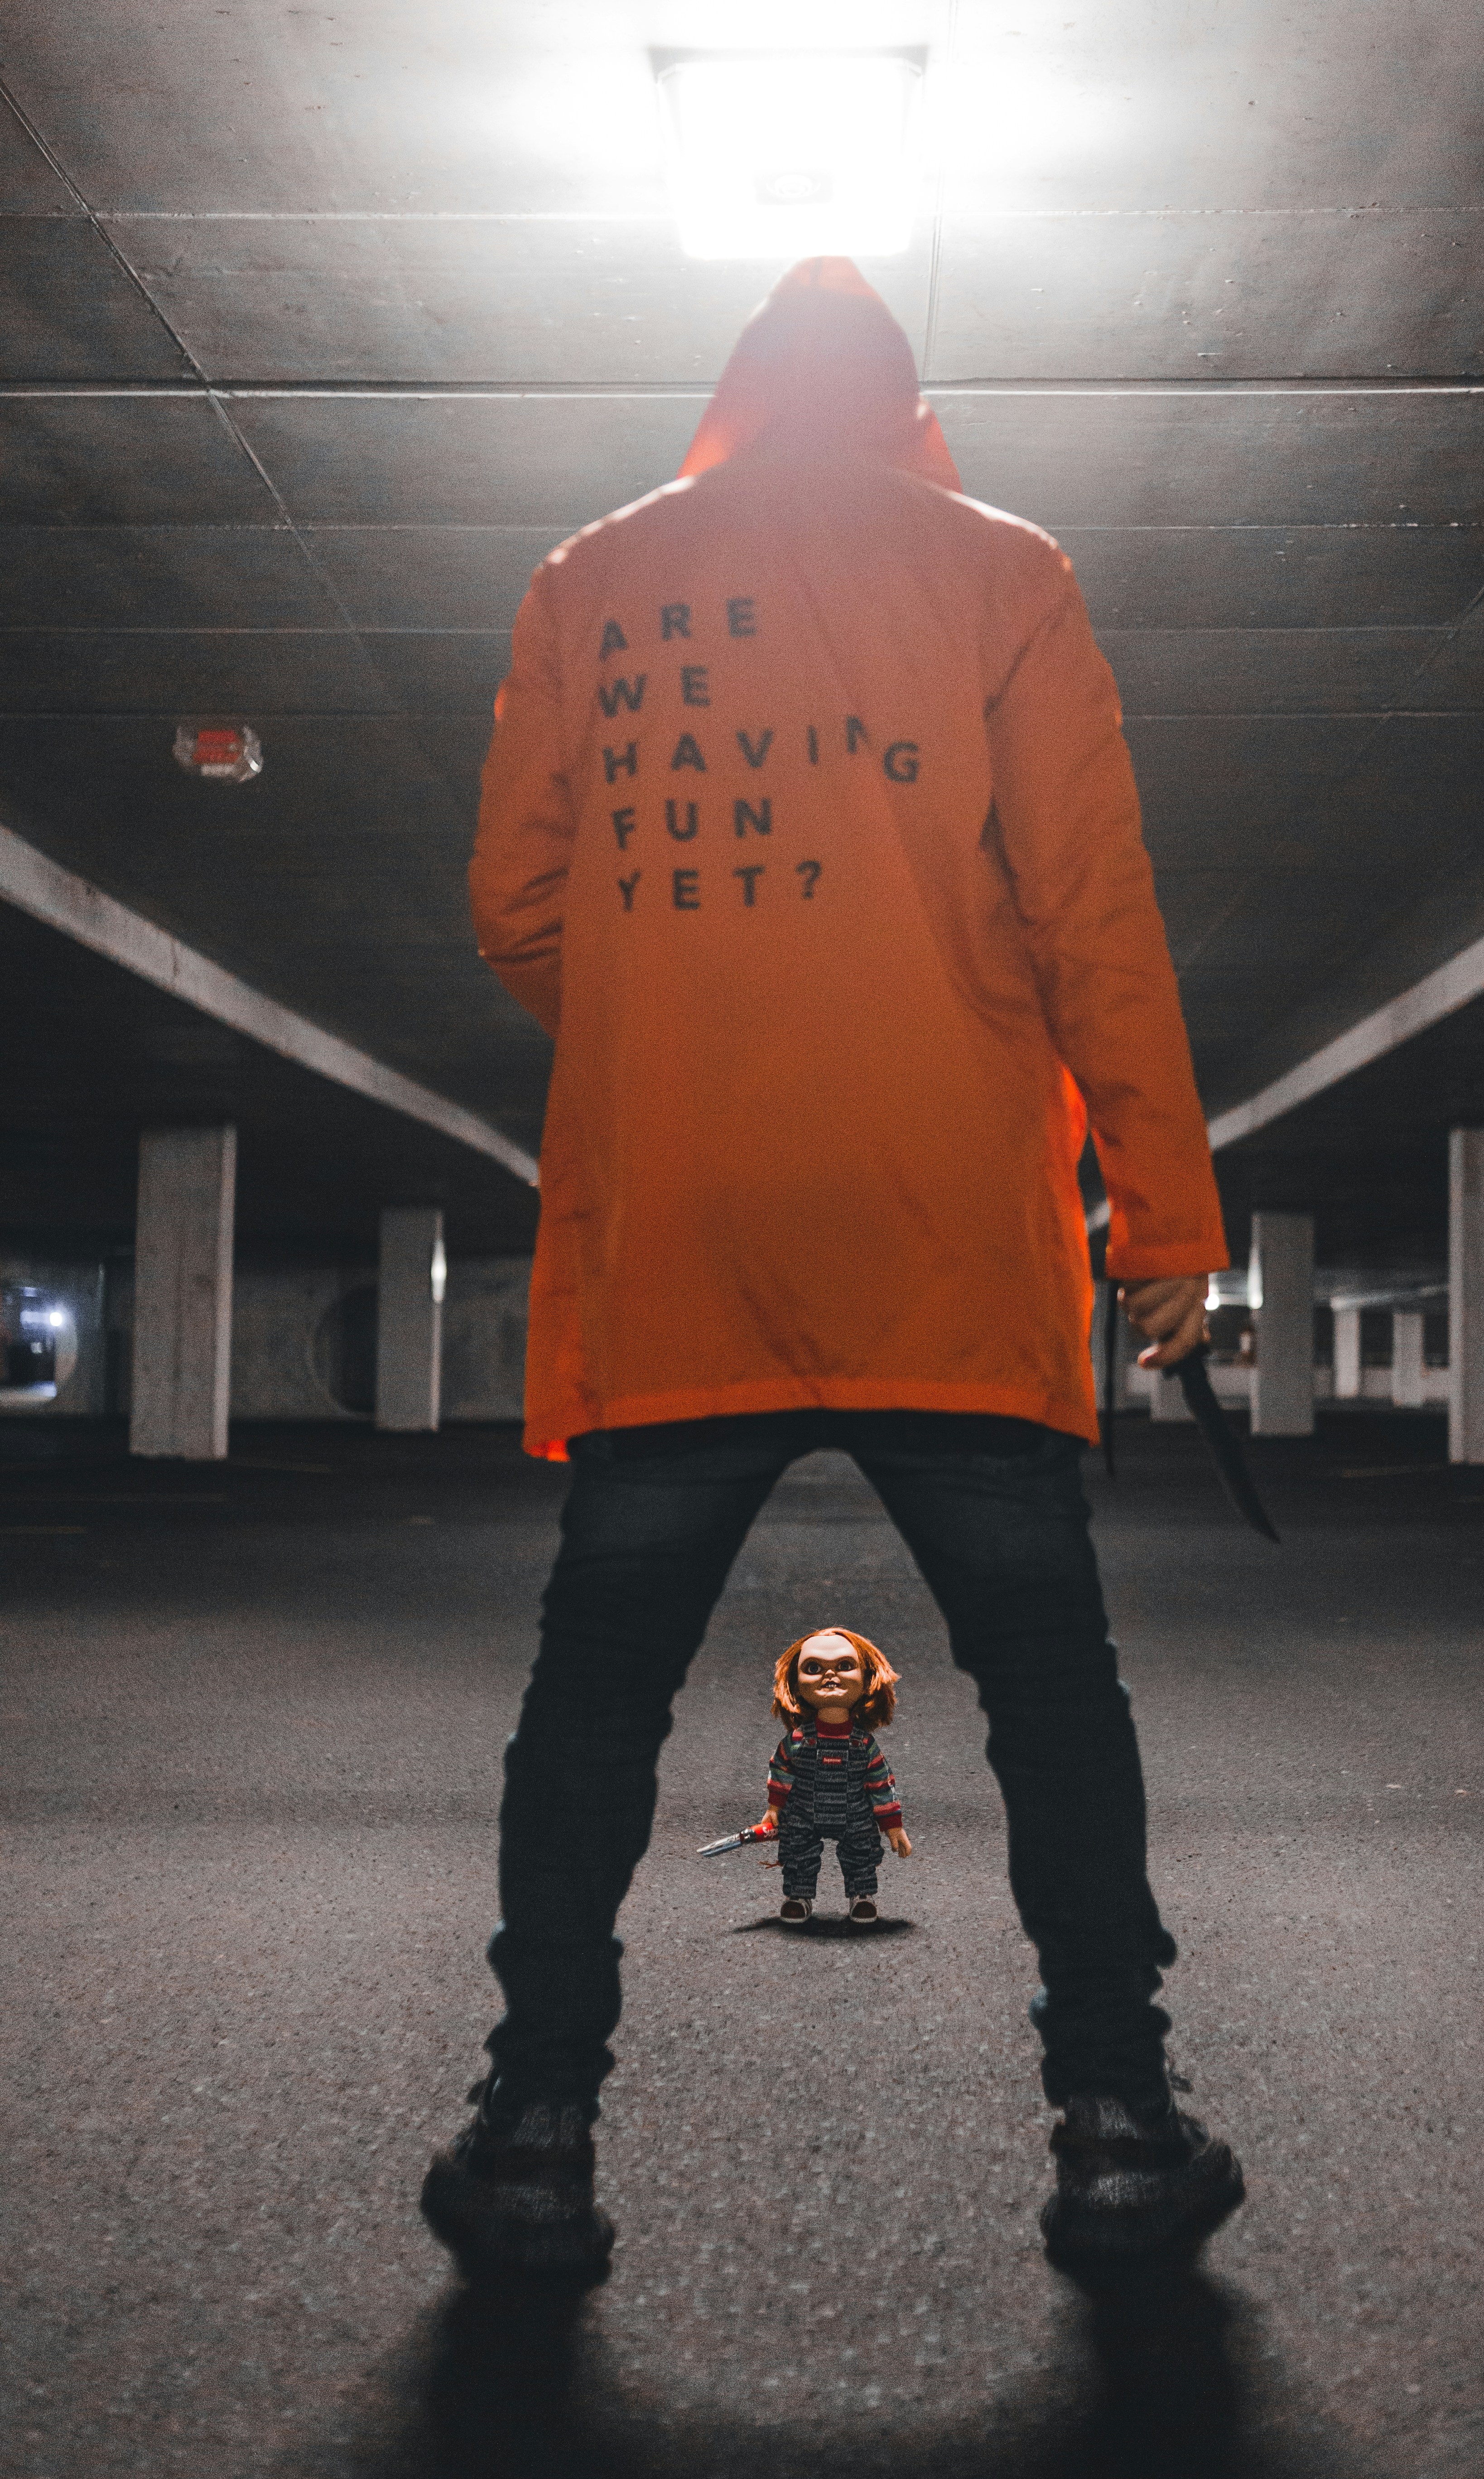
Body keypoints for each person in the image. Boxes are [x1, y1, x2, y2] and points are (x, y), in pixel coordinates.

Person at [420, 257, 1242, 2284]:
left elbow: (514, 902)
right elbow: (1092, 916)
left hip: (680, 1234)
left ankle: (534, 2123)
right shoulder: (1005, 574)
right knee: (1049, 1690)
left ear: (733, 394)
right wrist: (1163, 1213)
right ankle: (1115, 2120)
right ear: (896, 404)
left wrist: (655, 1008)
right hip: (941, 1234)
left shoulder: (586, 580)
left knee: (594, 1696)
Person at [762, 1625, 911, 1925]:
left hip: (855, 1814)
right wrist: (774, 1809)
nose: (830, 1676)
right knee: (797, 1853)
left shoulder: (864, 1743)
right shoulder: (797, 1740)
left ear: (867, 1678)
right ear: (796, 1681)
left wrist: (893, 1825)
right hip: (803, 1812)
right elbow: (781, 1770)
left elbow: (881, 1784)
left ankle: (863, 1896)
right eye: (814, 1668)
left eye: (845, 1666)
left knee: (862, 1853)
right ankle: (798, 1896)